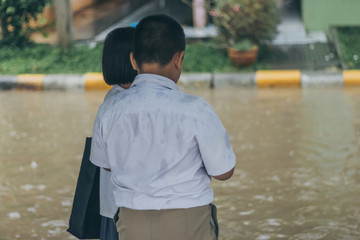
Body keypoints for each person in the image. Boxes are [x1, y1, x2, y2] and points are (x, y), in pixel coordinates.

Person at [90, 14, 236, 240]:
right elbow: (224, 172)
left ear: (133, 60)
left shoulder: (110, 110)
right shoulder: (196, 110)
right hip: (189, 221)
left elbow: (106, 165)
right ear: (179, 58)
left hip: (131, 223)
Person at [96, 26, 137, 240]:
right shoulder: (131, 104)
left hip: (112, 206)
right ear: (135, 60)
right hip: (125, 209)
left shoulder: (110, 100)